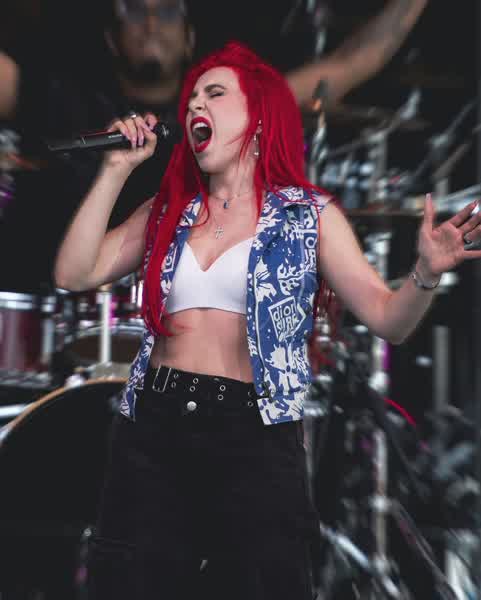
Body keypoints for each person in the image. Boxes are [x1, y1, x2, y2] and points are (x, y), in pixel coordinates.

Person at [53, 40, 481, 600]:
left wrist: (424, 272)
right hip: (154, 425)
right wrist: (114, 171)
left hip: (252, 433)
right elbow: (74, 272)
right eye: (191, 98)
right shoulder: (168, 208)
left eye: (214, 94)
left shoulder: (308, 216)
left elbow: (388, 319)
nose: (194, 106)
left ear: (258, 116)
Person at [0, 0, 429, 294]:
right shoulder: (64, 99)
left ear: (189, 38)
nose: (151, 24)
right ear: (112, 38)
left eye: (167, 12)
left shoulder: (223, 115)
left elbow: (351, 64)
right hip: (60, 316)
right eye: (135, 10)